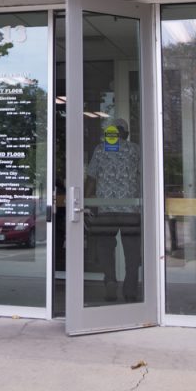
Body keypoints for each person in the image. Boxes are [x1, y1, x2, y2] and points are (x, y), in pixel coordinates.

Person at [85, 118, 141, 302]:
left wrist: (85, 202)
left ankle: (110, 281)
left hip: (106, 208)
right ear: (125, 133)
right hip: (131, 209)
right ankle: (130, 289)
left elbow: (91, 178)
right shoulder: (134, 150)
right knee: (132, 252)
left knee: (105, 248)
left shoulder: (100, 150)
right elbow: (144, 175)